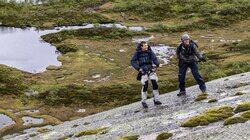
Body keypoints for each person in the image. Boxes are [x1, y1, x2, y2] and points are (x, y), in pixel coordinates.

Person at [131, 41, 162, 108]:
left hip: (151, 70)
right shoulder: (137, 53)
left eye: (147, 45)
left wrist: (157, 64)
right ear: (141, 46)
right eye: (145, 45)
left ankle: (156, 100)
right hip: (143, 71)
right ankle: (143, 101)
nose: (147, 46)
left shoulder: (150, 51)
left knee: (155, 83)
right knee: (145, 85)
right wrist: (138, 68)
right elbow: (132, 61)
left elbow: (154, 58)